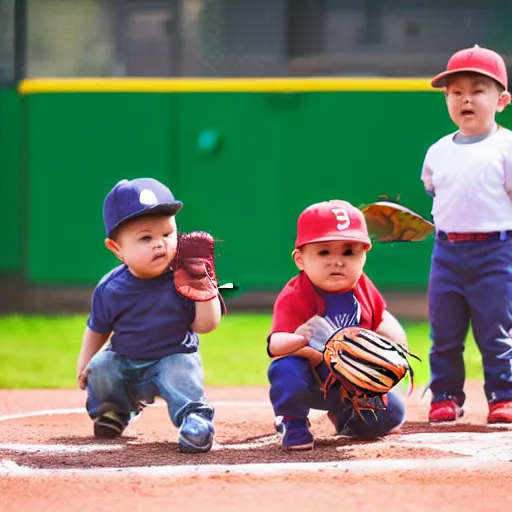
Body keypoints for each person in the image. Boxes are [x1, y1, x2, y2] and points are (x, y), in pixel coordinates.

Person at [76, 177, 223, 452]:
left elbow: (206, 325)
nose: (160, 244)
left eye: (168, 234)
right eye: (146, 237)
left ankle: (195, 420)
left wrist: (205, 289)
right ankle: (115, 412)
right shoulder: (111, 288)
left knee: (182, 372)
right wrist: (84, 363)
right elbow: (97, 329)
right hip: (126, 360)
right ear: (116, 248)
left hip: (173, 356)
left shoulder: (185, 278)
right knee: (101, 368)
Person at [267, 200, 408, 450]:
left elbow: (382, 318)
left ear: (365, 255)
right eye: (323, 252)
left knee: (391, 415)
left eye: (348, 252)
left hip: (353, 384)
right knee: (285, 369)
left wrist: (399, 348)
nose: (337, 261)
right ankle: (293, 421)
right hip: (313, 380)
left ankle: (344, 419)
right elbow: (275, 345)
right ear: (300, 259)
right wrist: (302, 344)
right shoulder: (295, 295)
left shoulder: (362, 286)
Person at [422, 45, 512, 423]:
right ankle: (444, 394)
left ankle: (503, 396)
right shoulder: (438, 152)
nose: (466, 99)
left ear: (502, 100)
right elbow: (433, 192)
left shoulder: (506, 146)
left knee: (496, 331)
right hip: (446, 252)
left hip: (496, 252)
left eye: (478, 89)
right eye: (455, 92)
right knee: (444, 333)